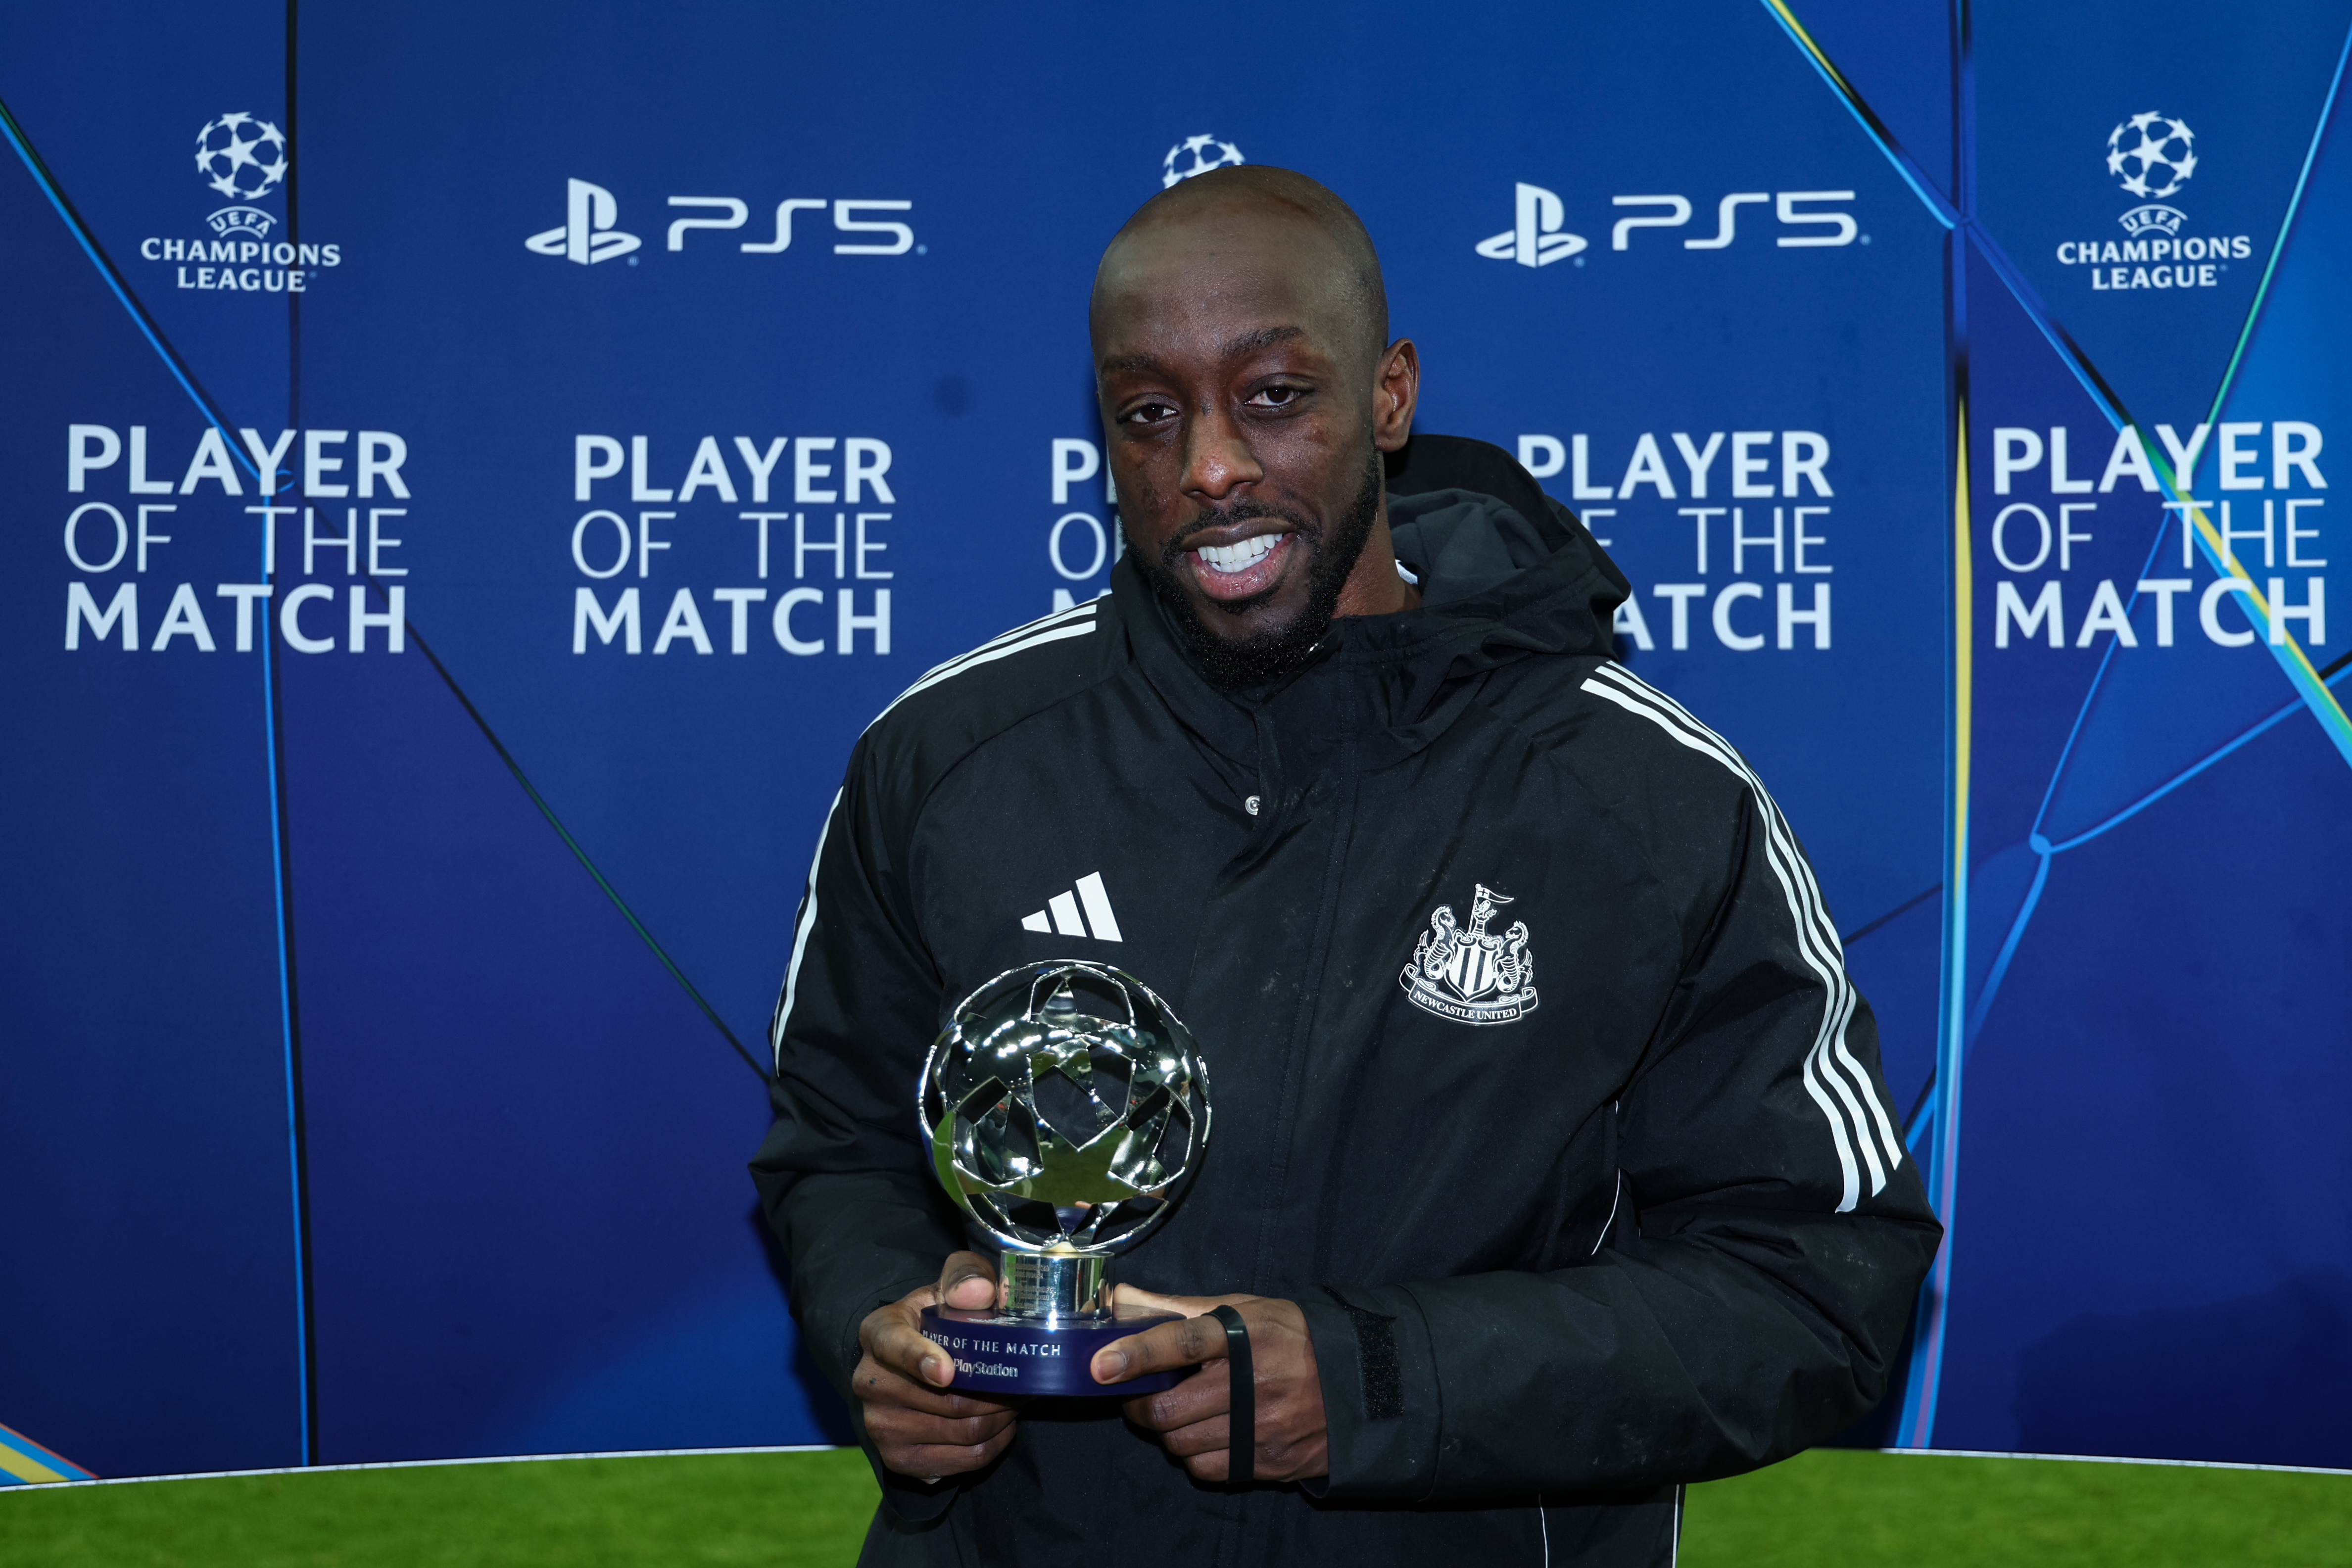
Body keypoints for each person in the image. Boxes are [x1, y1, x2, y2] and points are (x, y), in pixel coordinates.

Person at [751, 165, 1939, 1568]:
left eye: (1272, 395)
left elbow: (1819, 1284)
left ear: (1388, 395)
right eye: (1148, 414)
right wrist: (888, 1322)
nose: (1209, 467)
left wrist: (1377, 1381)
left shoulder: (1642, 797)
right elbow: (840, 1148)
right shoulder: (949, 762)